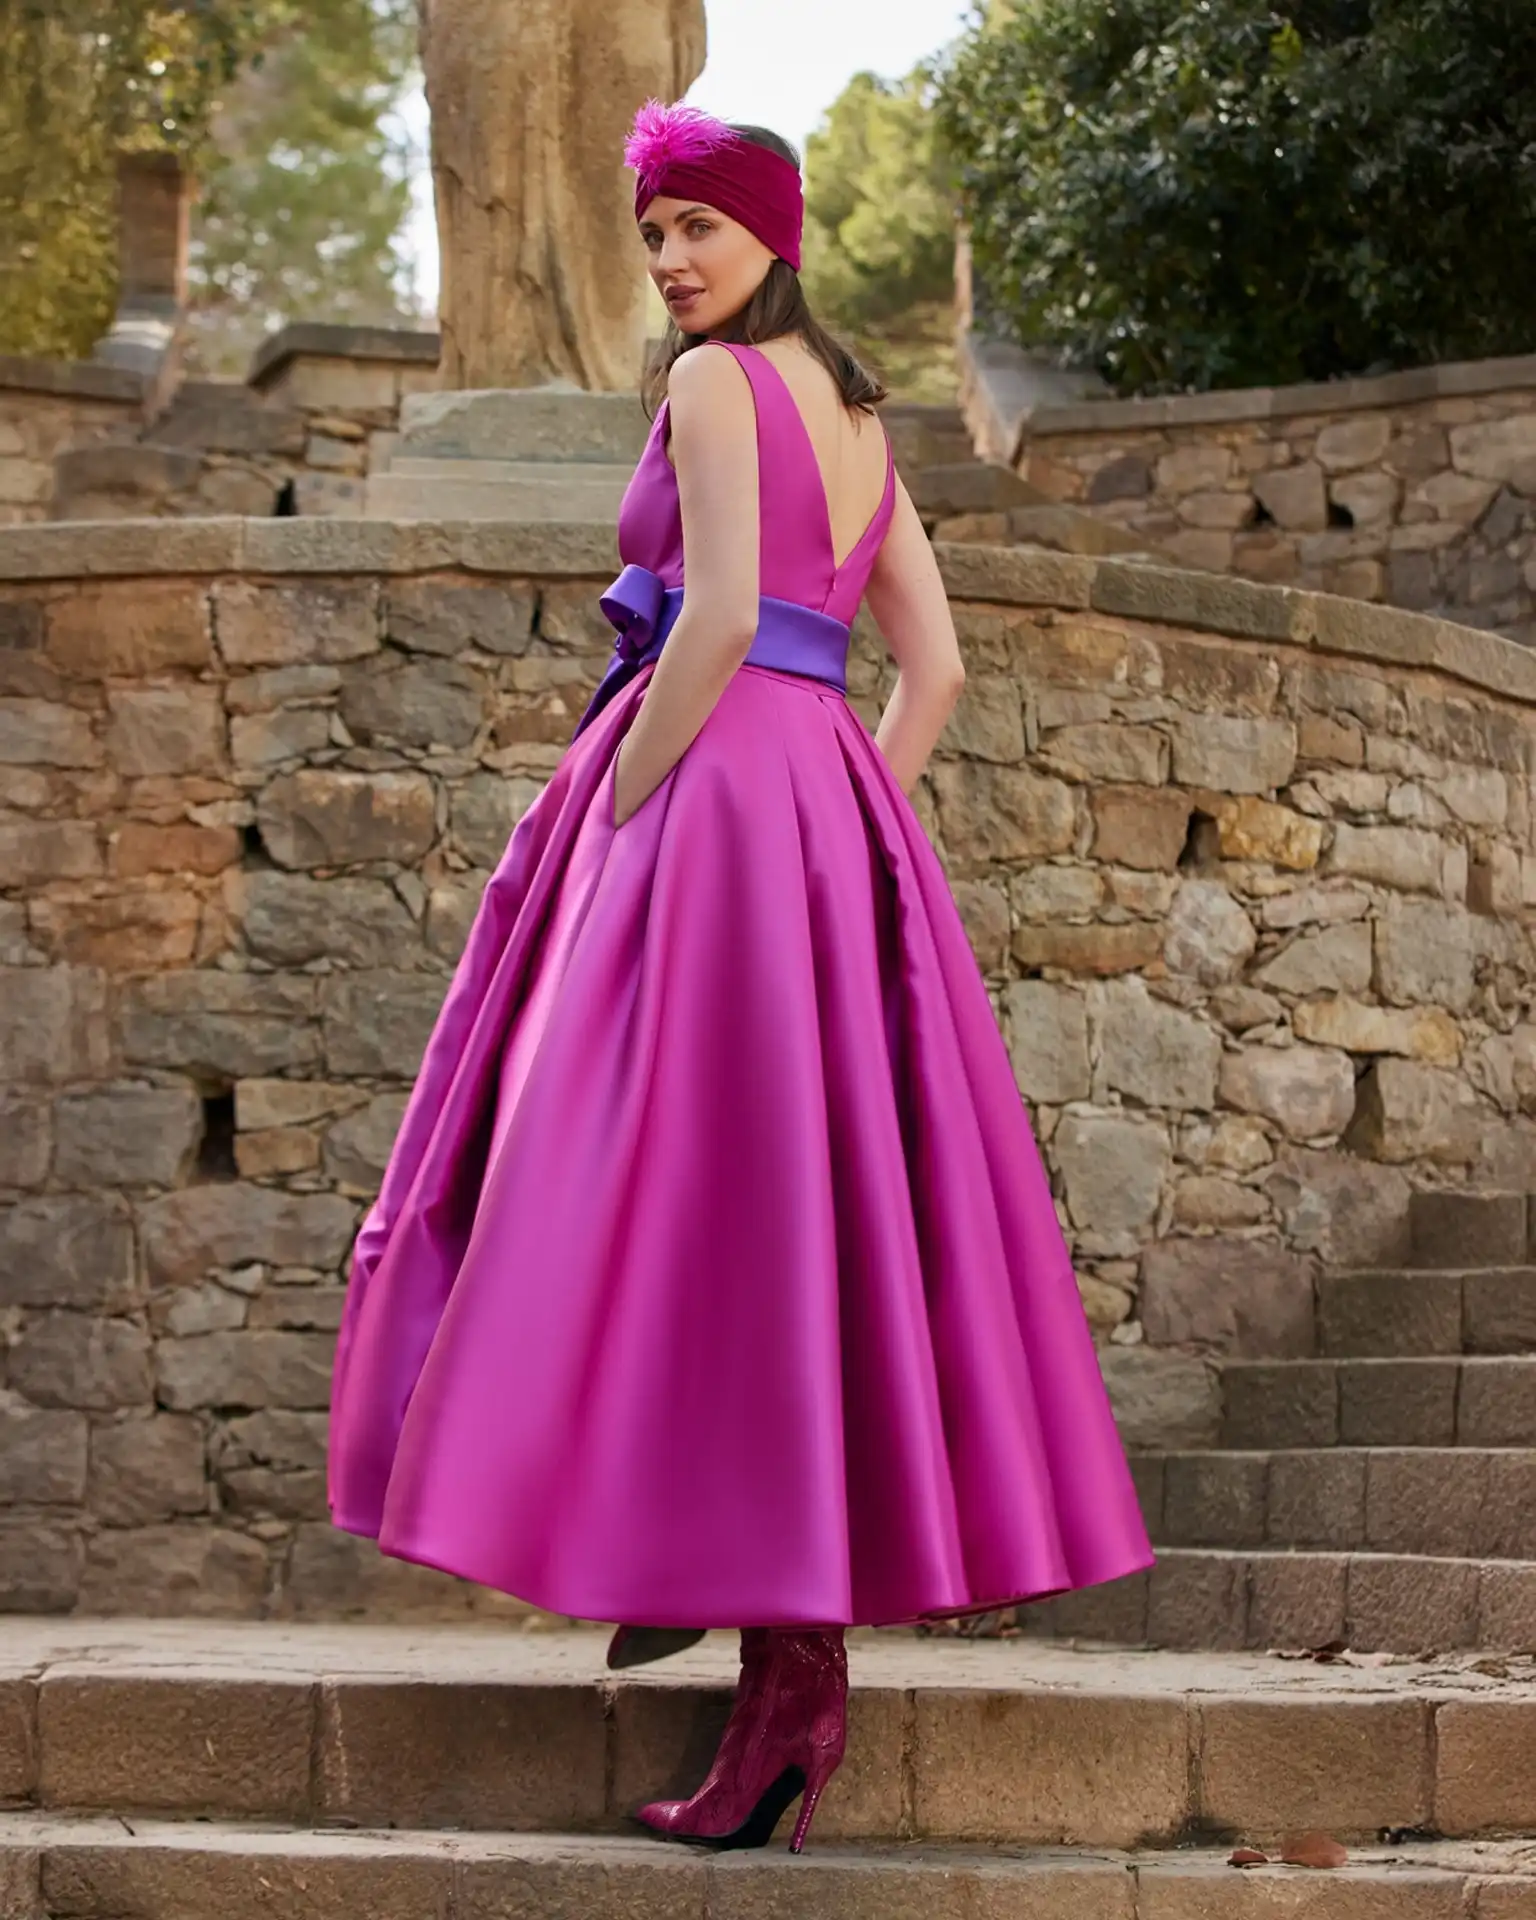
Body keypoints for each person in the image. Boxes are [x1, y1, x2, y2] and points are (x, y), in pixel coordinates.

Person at [326, 97, 1154, 1857]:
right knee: (797, 1214)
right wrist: (848, 819)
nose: (670, 261)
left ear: (771, 231)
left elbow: (709, 622)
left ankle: (699, 1586)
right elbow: (930, 672)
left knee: (604, 1171)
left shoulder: (712, 386)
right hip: (819, 800)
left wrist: (628, 806)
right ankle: (760, 1645)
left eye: (697, 227)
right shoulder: (858, 415)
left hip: (700, 795)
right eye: (652, 235)